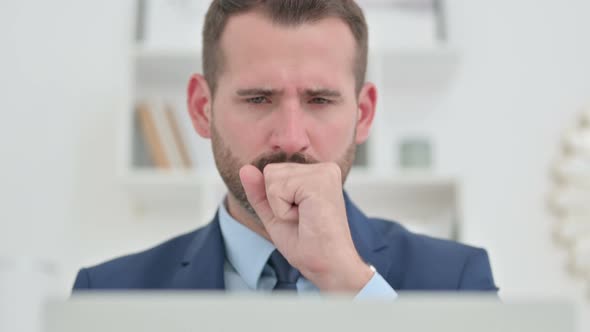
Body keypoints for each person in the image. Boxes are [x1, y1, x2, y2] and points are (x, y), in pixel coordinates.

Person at [73, 0, 497, 297]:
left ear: (363, 114)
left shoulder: (457, 278)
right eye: (258, 99)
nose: (291, 138)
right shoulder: (106, 294)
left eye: (320, 100)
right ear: (202, 109)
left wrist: (348, 281)